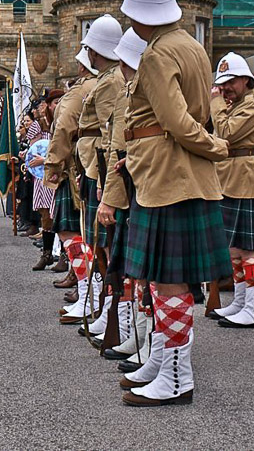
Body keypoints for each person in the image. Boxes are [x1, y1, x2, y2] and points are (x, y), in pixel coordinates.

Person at [117, 0, 230, 407]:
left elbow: (177, 122)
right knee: (167, 280)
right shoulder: (193, 47)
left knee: (169, 283)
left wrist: (213, 147)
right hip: (177, 173)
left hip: (168, 174)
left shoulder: (158, 54)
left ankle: (177, 377)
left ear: (142, 15)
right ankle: (164, 362)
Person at [206, 52, 254, 328]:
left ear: (246, 80)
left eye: (230, 82)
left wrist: (216, 102)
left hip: (245, 178)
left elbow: (226, 132)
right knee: (234, 248)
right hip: (229, 176)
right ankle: (241, 302)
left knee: (248, 249)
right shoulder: (236, 104)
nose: (225, 88)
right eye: (222, 83)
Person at [96, 27, 148, 357]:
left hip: (140, 184)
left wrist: (110, 199)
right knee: (136, 270)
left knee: (144, 272)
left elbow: (119, 146)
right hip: (137, 182)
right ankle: (141, 337)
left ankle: (150, 344)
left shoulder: (135, 91)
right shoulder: (131, 89)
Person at [74, 14, 124, 339]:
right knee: (102, 246)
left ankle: (111, 312)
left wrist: (106, 186)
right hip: (97, 166)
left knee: (106, 247)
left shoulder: (109, 82)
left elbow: (111, 134)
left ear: (95, 51)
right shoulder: (110, 78)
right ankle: (108, 310)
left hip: (104, 169)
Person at [44, 49, 97, 308]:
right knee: (95, 236)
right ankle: (93, 296)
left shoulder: (78, 90)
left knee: (72, 232)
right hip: (99, 164)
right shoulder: (114, 80)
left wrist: (53, 165)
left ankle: (87, 293)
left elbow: (63, 127)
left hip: (77, 165)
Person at [26, 89, 63, 273]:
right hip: (43, 174)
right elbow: (34, 152)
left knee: (60, 213)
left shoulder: (65, 120)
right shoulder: (39, 124)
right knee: (46, 214)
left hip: (61, 171)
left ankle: (63, 255)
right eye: (55, 102)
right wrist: (42, 161)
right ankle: (47, 254)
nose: (58, 105)